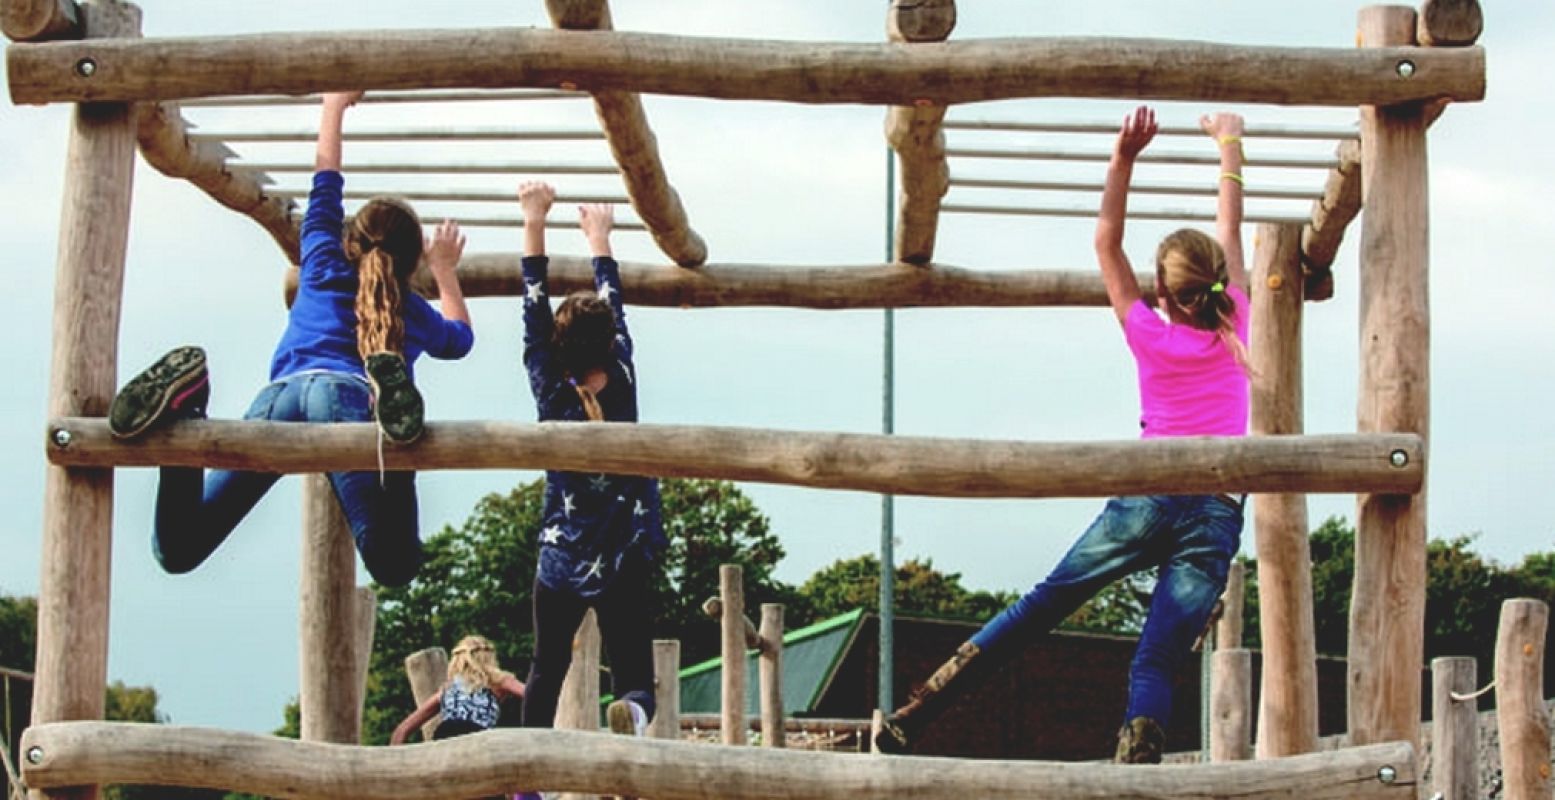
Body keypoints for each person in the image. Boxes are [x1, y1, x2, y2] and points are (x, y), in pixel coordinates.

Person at [874, 106, 1251, 764]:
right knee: (1155, 659)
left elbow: (1105, 241)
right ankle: (1136, 760)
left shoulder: (1148, 332)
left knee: (1040, 606)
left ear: (1159, 288)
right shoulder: (1236, 319)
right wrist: (1227, 143)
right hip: (1214, 514)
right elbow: (1230, 226)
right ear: (1217, 285)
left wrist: (1123, 159)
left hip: (1147, 497)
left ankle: (922, 707)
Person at [106, 90, 474, 588]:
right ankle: (396, 432)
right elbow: (459, 341)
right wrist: (445, 271)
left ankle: (187, 411)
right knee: (394, 564)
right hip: (348, 399)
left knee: (180, 548)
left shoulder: (320, 259)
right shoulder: (410, 308)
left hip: (279, 397)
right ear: (410, 261)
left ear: (350, 239)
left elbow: (325, 185)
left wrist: (334, 105)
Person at [514, 182, 665, 739]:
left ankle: (528, 783)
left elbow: (532, 303)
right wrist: (599, 239)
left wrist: (534, 219)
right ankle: (634, 715)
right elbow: (613, 300)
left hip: (562, 551)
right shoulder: (620, 375)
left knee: (545, 668)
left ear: (556, 347)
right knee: (634, 673)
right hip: (624, 547)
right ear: (608, 342)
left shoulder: (550, 388)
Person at [391, 635, 527, 744]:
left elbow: (402, 730)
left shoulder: (448, 689)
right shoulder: (498, 680)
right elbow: (533, 695)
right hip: (478, 737)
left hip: (444, 736)